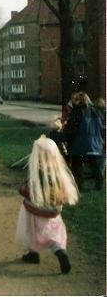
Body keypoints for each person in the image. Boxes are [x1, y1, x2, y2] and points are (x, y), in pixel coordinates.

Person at [15, 136, 79, 274]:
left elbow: (30, 192)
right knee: (53, 231)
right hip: (53, 211)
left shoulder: (38, 171)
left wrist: (21, 189)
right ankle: (59, 250)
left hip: (35, 209)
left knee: (32, 229)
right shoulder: (58, 171)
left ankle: (33, 253)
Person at [63, 91, 105, 190]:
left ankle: (79, 186)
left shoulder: (76, 111)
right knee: (95, 166)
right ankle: (99, 185)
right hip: (95, 144)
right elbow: (101, 127)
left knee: (77, 166)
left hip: (79, 144)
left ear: (78, 100)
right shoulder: (96, 111)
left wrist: (66, 138)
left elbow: (71, 129)